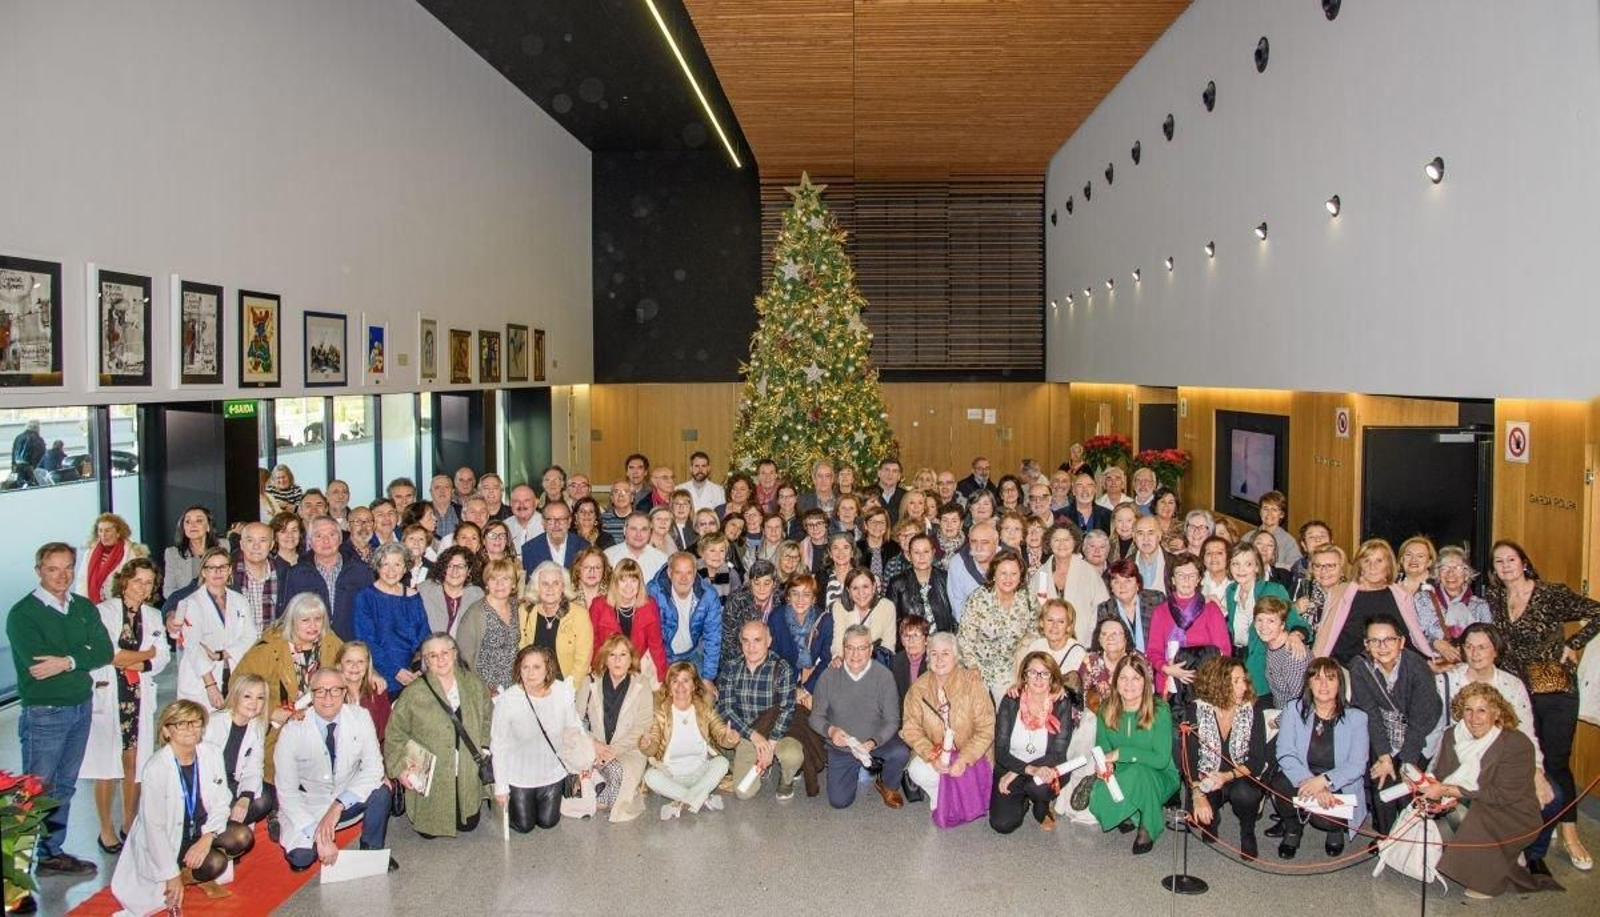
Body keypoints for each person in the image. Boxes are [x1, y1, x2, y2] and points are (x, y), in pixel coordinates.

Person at [1484, 539, 1599, 871]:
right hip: (1514, 690)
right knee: (1521, 758)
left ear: (1524, 562)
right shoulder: (1493, 598)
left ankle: (1571, 834)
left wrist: (1574, 643)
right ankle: (1534, 827)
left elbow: (1597, 611)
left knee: (1555, 760)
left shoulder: (1550, 593)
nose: (1506, 566)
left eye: (1511, 559)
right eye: (1499, 562)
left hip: (1553, 687)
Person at [109, 700, 251, 917]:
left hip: (200, 832)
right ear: (166, 731)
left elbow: (222, 801)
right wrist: (170, 874)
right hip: (166, 841)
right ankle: (182, 875)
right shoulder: (156, 768)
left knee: (241, 836)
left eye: (196, 723)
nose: (190, 729)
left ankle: (192, 871)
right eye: (181, 724)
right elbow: (154, 829)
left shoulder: (211, 753)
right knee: (214, 863)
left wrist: (208, 837)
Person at [1424, 683, 1563, 898]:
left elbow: (1502, 796)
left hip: (1512, 812)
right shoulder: (1453, 734)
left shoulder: (1516, 743)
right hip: (1472, 798)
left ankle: (1489, 876)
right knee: (1435, 814)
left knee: (1464, 816)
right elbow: (1442, 772)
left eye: (1482, 710)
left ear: (1496, 713)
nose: (1473, 718)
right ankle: (1489, 859)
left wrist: (1450, 790)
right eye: (1468, 710)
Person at [85, 558, 169, 854]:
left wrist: (140, 659)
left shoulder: (153, 616)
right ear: (124, 581)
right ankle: (106, 829)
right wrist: (146, 653)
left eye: (148, 583)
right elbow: (111, 656)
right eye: (137, 581)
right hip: (110, 692)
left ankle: (129, 823)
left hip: (137, 694)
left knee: (134, 763)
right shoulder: (103, 612)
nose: (142, 588)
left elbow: (163, 659)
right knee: (106, 766)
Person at [275, 668, 393, 870]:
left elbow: (374, 767)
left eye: (335, 690)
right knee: (301, 859)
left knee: (381, 791)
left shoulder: (360, 717)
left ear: (345, 692)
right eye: (320, 691)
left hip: (344, 798)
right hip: (309, 803)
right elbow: (286, 791)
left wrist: (338, 805)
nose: (328, 697)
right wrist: (317, 833)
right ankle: (280, 824)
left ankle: (372, 851)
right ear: (311, 694)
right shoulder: (292, 731)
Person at [382, 633, 490, 839]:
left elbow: (488, 717)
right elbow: (395, 733)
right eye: (432, 655)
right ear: (425, 660)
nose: (440, 659)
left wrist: (484, 747)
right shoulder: (414, 693)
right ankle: (429, 814)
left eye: (444, 653)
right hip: (431, 773)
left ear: (455, 653)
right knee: (428, 830)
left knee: (468, 824)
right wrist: (399, 769)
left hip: (466, 767)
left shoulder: (474, 684)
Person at [1349, 612, 1443, 836]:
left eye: (1389, 639)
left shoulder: (1417, 668)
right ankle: (1385, 834)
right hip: (1382, 727)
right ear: (1366, 644)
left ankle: (1406, 836)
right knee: (1380, 777)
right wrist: (1384, 757)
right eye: (1374, 641)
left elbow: (1420, 723)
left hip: (1420, 731)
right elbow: (1370, 712)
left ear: (1401, 641)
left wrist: (1404, 762)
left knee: (1404, 783)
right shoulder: (1360, 667)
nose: (1382, 646)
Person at [1270, 658, 1370, 859]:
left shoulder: (1357, 718)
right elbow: (1285, 752)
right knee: (1279, 784)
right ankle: (1292, 829)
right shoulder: (1293, 710)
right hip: (1303, 776)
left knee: (1323, 820)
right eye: (1317, 679)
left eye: (1331, 679)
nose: (1324, 685)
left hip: (1338, 782)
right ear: (1308, 683)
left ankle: (1335, 831)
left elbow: (1357, 765)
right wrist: (1310, 782)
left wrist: (1324, 782)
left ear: (1340, 684)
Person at [809, 625, 910, 809]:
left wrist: (873, 741)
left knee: (900, 752)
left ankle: (887, 784)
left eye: (862, 648)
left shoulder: (884, 676)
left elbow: (892, 720)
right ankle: (855, 769)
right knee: (839, 802)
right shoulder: (829, 675)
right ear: (843, 649)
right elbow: (815, 717)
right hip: (843, 747)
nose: (855, 654)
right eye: (850, 648)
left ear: (870, 650)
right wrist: (831, 731)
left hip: (875, 741)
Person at [900, 632, 995, 820]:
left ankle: (957, 797)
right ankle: (940, 797)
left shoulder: (973, 684)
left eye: (945, 653)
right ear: (928, 657)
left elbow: (986, 729)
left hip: (971, 753)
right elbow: (910, 729)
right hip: (938, 753)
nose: (939, 659)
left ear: (956, 656)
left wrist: (964, 758)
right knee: (917, 770)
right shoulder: (918, 688)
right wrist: (930, 755)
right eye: (934, 653)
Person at [491, 645, 582, 833]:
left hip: (552, 772)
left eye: (536, 667)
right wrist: (501, 787)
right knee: (524, 827)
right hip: (519, 775)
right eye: (525, 667)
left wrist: (581, 762)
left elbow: (574, 728)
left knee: (548, 822)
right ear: (518, 669)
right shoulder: (508, 700)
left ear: (548, 668)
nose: (530, 673)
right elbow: (498, 745)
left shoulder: (562, 692)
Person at [1183, 657, 1268, 859]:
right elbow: (1188, 759)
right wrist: (1197, 795)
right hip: (1206, 776)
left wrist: (1226, 776)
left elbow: (1257, 760)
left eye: (1243, 681)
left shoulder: (1253, 709)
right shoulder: (1196, 710)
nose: (1243, 687)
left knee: (1246, 795)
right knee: (1200, 815)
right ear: (1218, 684)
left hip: (1239, 775)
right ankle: (1212, 820)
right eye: (1235, 682)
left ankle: (1247, 831)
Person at [715, 620, 804, 799]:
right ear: (740, 642)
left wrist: (769, 745)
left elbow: (787, 709)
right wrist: (755, 737)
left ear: (769, 641)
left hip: (779, 734)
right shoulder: (730, 668)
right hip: (749, 735)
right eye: (746, 640)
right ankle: (755, 765)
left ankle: (787, 779)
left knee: (792, 755)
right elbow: (726, 709)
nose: (751, 647)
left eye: (757, 640)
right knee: (743, 792)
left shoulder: (782, 668)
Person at [640, 661, 737, 819]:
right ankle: (701, 798)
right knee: (650, 776)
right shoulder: (660, 712)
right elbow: (653, 745)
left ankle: (683, 800)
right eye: (675, 681)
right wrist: (647, 744)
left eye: (686, 680)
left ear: (694, 685)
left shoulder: (704, 708)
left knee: (722, 763)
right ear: (669, 687)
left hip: (700, 772)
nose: (680, 686)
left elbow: (720, 733)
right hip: (671, 776)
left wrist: (729, 738)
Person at [1312, 539, 1432, 666]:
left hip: (1394, 667)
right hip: (1349, 667)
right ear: (1359, 565)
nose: (1372, 566)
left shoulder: (1401, 594)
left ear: (1388, 564)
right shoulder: (1339, 593)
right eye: (1366, 561)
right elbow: (1325, 640)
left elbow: (1409, 638)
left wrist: (1427, 662)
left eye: (1379, 561)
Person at [992, 653, 1076, 833]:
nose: (1039, 678)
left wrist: (1018, 772)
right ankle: (1022, 800)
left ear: (1052, 677)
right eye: (1033, 673)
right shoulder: (1010, 701)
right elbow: (1000, 752)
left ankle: (1042, 806)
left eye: (1045, 673)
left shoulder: (1061, 703)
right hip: (1011, 765)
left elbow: (1058, 753)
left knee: (1038, 787)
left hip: (1048, 766)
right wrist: (1024, 769)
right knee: (1002, 824)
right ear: (1024, 676)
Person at [175, 547, 259, 711]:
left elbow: (250, 636)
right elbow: (194, 647)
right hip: (203, 679)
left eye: (222, 567)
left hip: (232, 672)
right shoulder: (191, 603)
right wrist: (211, 686)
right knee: (201, 728)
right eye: (211, 567)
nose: (217, 572)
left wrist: (222, 654)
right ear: (203, 572)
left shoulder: (239, 600)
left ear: (229, 570)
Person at [582, 635, 654, 822]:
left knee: (617, 788)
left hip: (629, 750)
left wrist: (614, 749)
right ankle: (599, 786)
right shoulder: (589, 682)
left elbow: (643, 725)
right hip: (593, 747)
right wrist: (595, 744)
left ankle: (601, 789)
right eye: (612, 655)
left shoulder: (642, 684)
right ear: (605, 658)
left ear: (631, 659)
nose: (617, 660)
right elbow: (576, 721)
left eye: (623, 655)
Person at [958, 552, 1039, 700]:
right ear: (994, 575)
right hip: (979, 667)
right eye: (1003, 573)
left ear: (1020, 576)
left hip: (1011, 669)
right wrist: (972, 666)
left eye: (1013, 573)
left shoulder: (1028, 598)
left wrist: (1024, 668)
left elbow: (1035, 633)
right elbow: (965, 637)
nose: (1008, 579)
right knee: (979, 714)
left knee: (1008, 715)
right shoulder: (978, 599)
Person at [281, 516, 376, 641]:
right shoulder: (296, 574)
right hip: (312, 646)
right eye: (318, 536)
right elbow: (289, 617)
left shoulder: (362, 571)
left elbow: (372, 615)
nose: (326, 541)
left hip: (351, 648)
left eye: (332, 534)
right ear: (310, 541)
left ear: (340, 538)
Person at [353, 542, 430, 695]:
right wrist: (395, 671)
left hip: (413, 677)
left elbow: (424, 638)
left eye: (397, 564)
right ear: (377, 566)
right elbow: (366, 641)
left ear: (405, 567)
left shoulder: (413, 597)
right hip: (379, 677)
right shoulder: (365, 597)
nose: (391, 570)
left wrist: (418, 670)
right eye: (385, 564)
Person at [203, 674, 276, 832]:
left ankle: (221, 830)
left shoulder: (257, 726)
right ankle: (215, 832)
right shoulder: (213, 723)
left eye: (260, 698)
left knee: (265, 799)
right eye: (248, 696)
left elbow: (254, 767)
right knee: (241, 833)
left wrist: (245, 797)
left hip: (232, 782)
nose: (254, 703)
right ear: (236, 696)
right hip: (208, 786)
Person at [648, 551, 724, 682]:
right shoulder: (654, 592)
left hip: (693, 653)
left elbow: (712, 637)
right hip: (662, 655)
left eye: (688, 573)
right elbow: (650, 636)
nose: (684, 579)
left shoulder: (708, 595)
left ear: (695, 574)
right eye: (678, 573)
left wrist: (708, 678)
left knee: (706, 696)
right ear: (669, 573)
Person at [454, 557, 525, 692]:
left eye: (505, 579)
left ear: (514, 584)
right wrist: (480, 689)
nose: (499, 584)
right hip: (485, 687)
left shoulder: (517, 607)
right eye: (493, 579)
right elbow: (463, 659)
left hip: (515, 684)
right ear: (486, 584)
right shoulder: (475, 613)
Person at [1032, 522, 1108, 646]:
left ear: (1075, 542)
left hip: (1084, 643)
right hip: (1048, 644)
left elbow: (1102, 608)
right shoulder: (1041, 575)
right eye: (1056, 540)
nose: (1061, 544)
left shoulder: (1089, 572)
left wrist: (1090, 639)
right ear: (1049, 543)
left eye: (1066, 539)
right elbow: (1035, 611)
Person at [1413, 545, 1492, 663]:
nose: (1451, 573)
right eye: (1444, 568)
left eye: (1458, 568)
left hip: (1470, 669)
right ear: (1438, 573)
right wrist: (1435, 643)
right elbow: (1414, 635)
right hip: (1434, 667)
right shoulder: (1423, 599)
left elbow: (1489, 642)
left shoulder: (1480, 606)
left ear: (1466, 574)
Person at [523, 560, 596, 688]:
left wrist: (567, 691)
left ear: (563, 587)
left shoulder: (579, 615)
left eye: (556, 583)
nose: (550, 588)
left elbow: (582, 662)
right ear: (536, 587)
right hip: (534, 684)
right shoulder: (526, 613)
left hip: (568, 685)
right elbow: (522, 652)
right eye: (545, 583)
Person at [718, 559, 778, 677]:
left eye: (767, 583)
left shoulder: (780, 603)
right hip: (739, 661)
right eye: (757, 583)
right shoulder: (736, 600)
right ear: (750, 583)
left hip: (768, 662)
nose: (762, 588)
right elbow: (728, 641)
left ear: (774, 584)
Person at [887, 533, 955, 634]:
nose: (921, 557)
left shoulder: (946, 579)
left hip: (943, 641)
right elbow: (891, 622)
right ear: (909, 556)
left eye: (926, 552)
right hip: (911, 642)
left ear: (933, 553)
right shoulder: (897, 584)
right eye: (916, 552)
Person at [74, 513, 148, 605]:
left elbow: (137, 585)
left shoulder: (133, 553)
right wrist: (83, 605)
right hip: (92, 607)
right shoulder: (90, 553)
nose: (103, 535)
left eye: (108, 530)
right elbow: (82, 581)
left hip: (121, 607)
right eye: (100, 530)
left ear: (118, 533)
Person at [1014, 598, 1088, 686]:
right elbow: (1026, 680)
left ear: (1068, 626)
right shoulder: (1036, 646)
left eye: (1061, 622)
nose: (1054, 626)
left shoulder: (1078, 653)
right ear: (1041, 622)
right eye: (1050, 620)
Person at [232, 521, 290, 632]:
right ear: (241, 544)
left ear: (271, 545)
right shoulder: (227, 571)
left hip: (273, 646)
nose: (256, 546)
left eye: (263, 540)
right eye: (250, 540)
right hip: (236, 646)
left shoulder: (285, 573)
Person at [1252, 597, 1309, 707]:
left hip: (1294, 717)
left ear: (1282, 625)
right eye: (1259, 620)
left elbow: (1301, 702)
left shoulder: (1293, 654)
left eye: (1271, 621)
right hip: (1279, 709)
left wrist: (1276, 721)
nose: (1263, 626)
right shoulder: (1272, 645)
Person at [831, 567, 898, 659]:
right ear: (848, 591)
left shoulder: (887, 607)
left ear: (874, 587)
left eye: (865, 587)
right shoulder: (839, 607)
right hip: (849, 660)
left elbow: (888, 645)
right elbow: (838, 642)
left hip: (876, 661)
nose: (861, 593)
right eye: (855, 588)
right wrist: (837, 657)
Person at [337, 641, 393, 743]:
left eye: (360, 662)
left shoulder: (377, 692)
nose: (355, 666)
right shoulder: (331, 693)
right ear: (340, 664)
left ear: (368, 665)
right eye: (349, 661)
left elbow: (387, 732)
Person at [522, 490, 590, 574]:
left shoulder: (584, 547)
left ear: (569, 522)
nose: (556, 525)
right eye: (551, 520)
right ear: (543, 523)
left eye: (562, 519)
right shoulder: (529, 549)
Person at [946, 520, 999, 625]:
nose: (978, 548)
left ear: (996, 542)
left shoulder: (1009, 560)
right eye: (974, 542)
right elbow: (958, 607)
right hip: (971, 627)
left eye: (985, 542)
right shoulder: (958, 563)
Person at [164, 506, 219, 600]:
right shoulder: (173, 553)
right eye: (188, 522)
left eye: (199, 521)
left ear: (208, 526)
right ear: (183, 527)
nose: (192, 525)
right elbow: (168, 591)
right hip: (186, 607)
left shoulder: (224, 547)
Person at [605, 511, 669, 582]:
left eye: (644, 529)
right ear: (624, 530)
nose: (638, 534)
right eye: (633, 529)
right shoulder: (608, 557)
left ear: (650, 533)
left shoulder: (662, 560)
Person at [569, 546, 610, 611]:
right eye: (586, 567)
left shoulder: (612, 594)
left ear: (604, 570)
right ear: (577, 569)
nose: (592, 571)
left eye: (597, 567)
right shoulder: (567, 594)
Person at [11, 418, 46, 485]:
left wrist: (13, 466)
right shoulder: (38, 440)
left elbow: (13, 454)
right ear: (38, 428)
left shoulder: (18, 437)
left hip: (17, 468)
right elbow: (40, 457)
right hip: (31, 470)